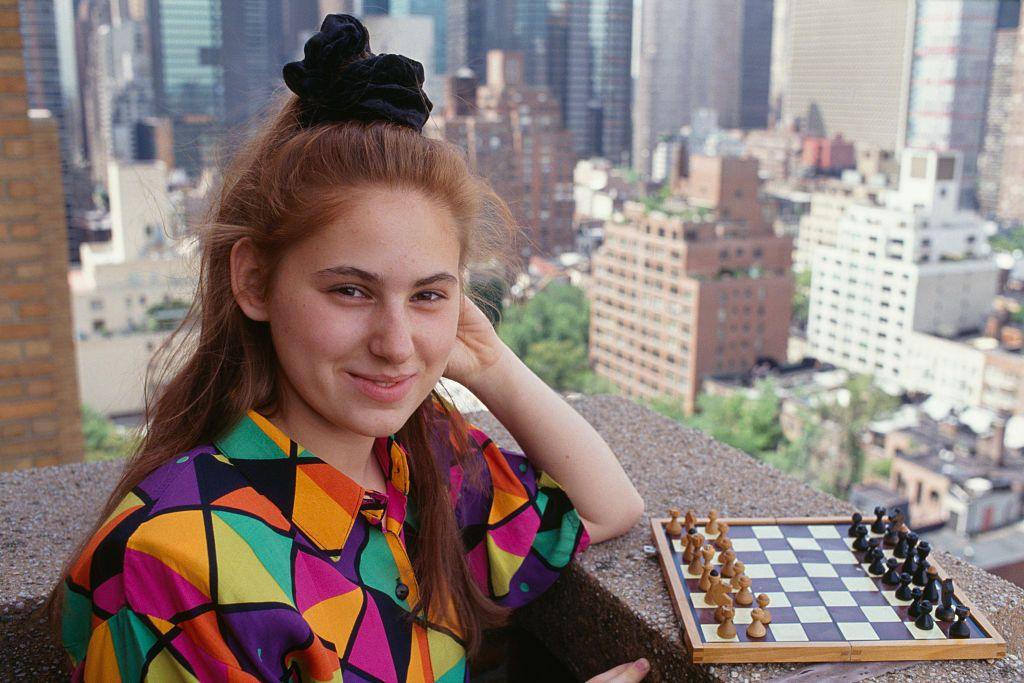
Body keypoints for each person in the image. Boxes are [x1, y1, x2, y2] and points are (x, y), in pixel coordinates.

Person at [45, 13, 647, 682]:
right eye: (351, 291)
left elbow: (606, 507)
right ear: (254, 282)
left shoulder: (423, 463)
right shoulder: (171, 564)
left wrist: (490, 363)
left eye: (427, 294)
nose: (396, 344)